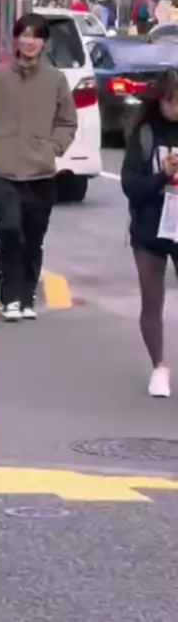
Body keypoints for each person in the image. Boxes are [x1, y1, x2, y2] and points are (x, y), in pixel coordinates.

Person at [0, 13, 77, 322]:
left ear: (44, 43)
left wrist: (53, 147)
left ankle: (26, 297)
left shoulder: (55, 80)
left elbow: (67, 122)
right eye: (25, 35)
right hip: (4, 170)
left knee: (33, 237)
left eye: (36, 36)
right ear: (16, 39)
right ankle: (10, 299)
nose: (30, 42)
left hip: (41, 171)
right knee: (9, 231)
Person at [121, 68, 178, 398]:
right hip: (150, 226)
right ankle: (159, 367)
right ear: (160, 100)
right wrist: (161, 175)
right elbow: (130, 186)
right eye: (172, 101)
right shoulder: (144, 133)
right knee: (152, 298)